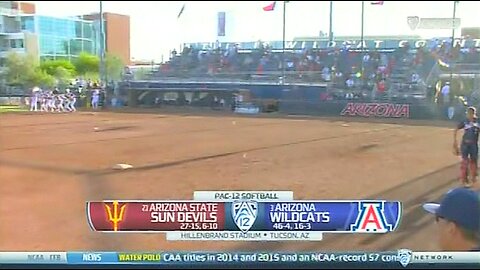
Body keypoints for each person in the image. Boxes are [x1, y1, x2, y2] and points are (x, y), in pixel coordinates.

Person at [453, 106, 480, 187]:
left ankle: (473, 177)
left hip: (474, 144)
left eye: (470, 113)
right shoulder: (464, 122)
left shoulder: (478, 122)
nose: (468, 115)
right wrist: (455, 142)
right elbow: (456, 129)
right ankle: (464, 179)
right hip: (465, 144)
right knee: (464, 162)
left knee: (473, 162)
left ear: (473, 114)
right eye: (467, 113)